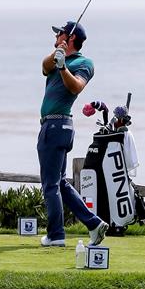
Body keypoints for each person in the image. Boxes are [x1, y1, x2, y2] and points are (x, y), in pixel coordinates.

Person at [38, 21, 108, 247]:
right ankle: (94, 223)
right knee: (60, 183)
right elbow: (44, 66)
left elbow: (76, 86)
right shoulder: (56, 58)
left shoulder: (84, 63)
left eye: (59, 34)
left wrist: (63, 67)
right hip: (54, 127)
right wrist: (58, 54)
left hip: (57, 126)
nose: (56, 37)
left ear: (69, 38)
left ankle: (56, 235)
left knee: (49, 184)